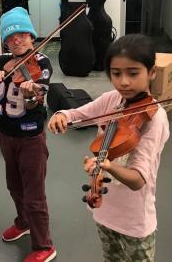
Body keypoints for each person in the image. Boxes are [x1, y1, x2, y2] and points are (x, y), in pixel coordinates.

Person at [48, 34, 169, 262]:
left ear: (151, 72)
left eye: (133, 73)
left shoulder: (155, 119)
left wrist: (108, 166)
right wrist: (61, 115)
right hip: (104, 209)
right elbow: (78, 114)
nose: (123, 82)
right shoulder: (111, 100)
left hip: (135, 222)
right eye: (116, 74)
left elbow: (138, 180)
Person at [0, 7, 56, 262]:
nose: (16, 40)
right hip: (6, 136)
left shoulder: (41, 63)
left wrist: (31, 92)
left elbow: (35, 104)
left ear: (30, 35)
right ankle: (24, 222)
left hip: (30, 138)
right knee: (14, 185)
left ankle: (44, 246)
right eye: (10, 36)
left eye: (21, 34)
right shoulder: (0, 61)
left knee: (34, 194)